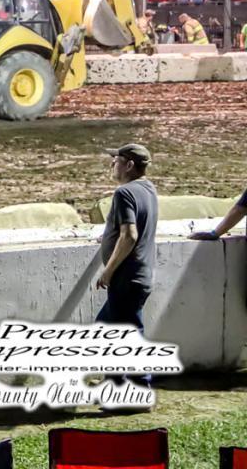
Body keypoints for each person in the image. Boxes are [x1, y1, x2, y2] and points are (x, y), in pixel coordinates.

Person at [96, 143, 158, 381]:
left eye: (117, 160)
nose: (113, 163)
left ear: (129, 165)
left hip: (126, 277)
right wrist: (108, 234)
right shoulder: (149, 189)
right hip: (141, 275)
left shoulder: (124, 193)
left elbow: (130, 235)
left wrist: (108, 271)